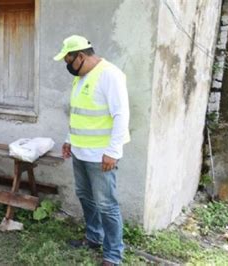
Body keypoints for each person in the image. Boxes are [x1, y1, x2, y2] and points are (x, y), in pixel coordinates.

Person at [54, 35, 130, 266]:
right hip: (80, 152)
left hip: (101, 156)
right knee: (86, 197)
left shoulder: (110, 75)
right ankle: (94, 237)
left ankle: (113, 255)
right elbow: (79, 113)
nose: (68, 66)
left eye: (69, 61)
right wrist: (69, 140)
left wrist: (113, 152)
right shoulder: (81, 77)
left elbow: (120, 115)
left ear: (81, 56)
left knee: (107, 204)